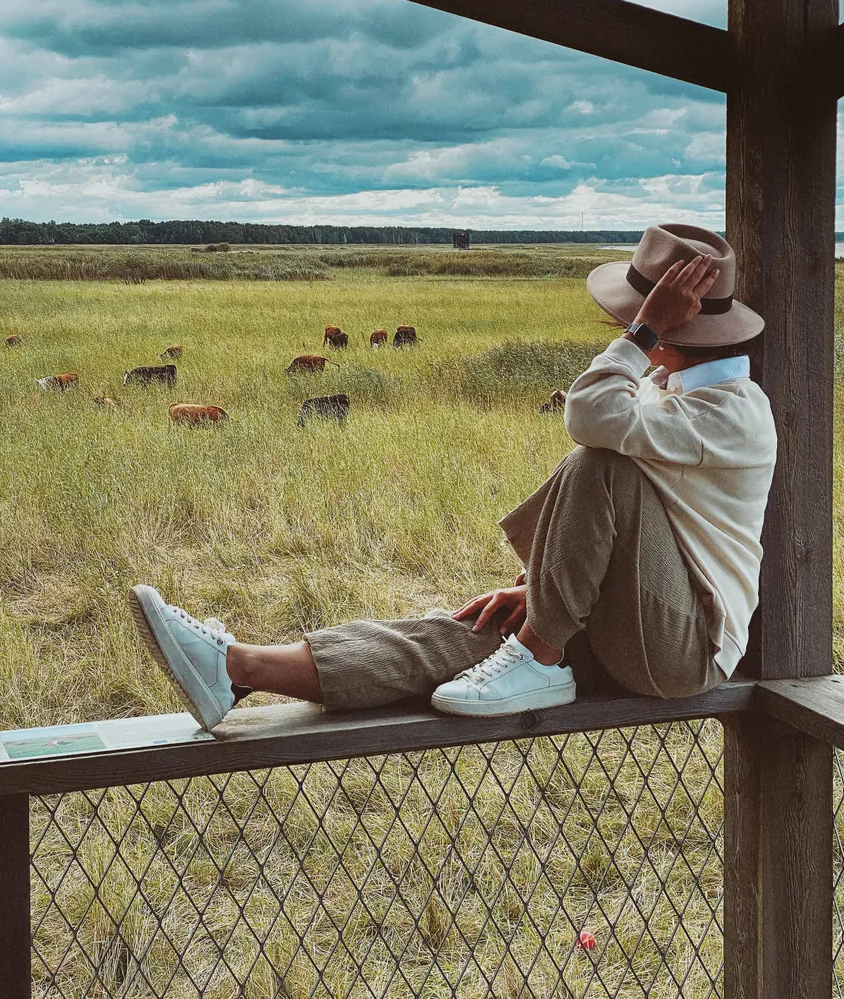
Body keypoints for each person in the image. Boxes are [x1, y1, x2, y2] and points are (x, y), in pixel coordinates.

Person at [129, 224, 777, 731]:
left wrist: (644, 329)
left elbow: (589, 415)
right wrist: (540, 589)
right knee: (462, 632)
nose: (619, 324)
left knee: (600, 463)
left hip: (684, 650)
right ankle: (236, 669)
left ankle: (540, 653)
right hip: (634, 618)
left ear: (672, 323)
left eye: (633, 315)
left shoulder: (731, 414)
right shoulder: (668, 392)